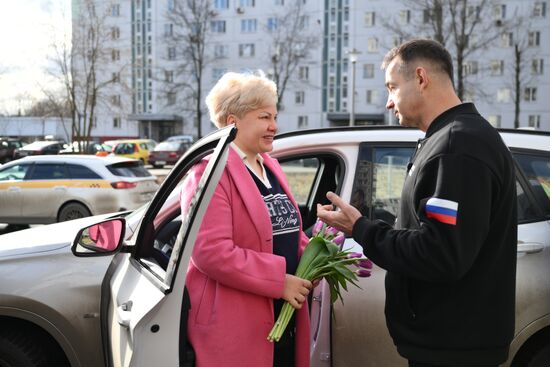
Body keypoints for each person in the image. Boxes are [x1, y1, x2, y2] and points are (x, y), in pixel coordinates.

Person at [317, 39, 517, 367]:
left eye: (392, 87)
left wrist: (362, 229)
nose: (388, 103)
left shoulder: (457, 146)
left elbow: (440, 254)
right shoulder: (450, 138)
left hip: (452, 349)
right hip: (450, 342)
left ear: (421, 78)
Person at [180, 71, 312, 367]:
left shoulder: (270, 165)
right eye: (264, 117)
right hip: (236, 323)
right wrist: (279, 282)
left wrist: (315, 251)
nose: (274, 127)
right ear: (232, 121)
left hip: (283, 316)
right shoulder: (209, 173)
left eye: (275, 117)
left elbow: (286, 230)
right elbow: (210, 252)